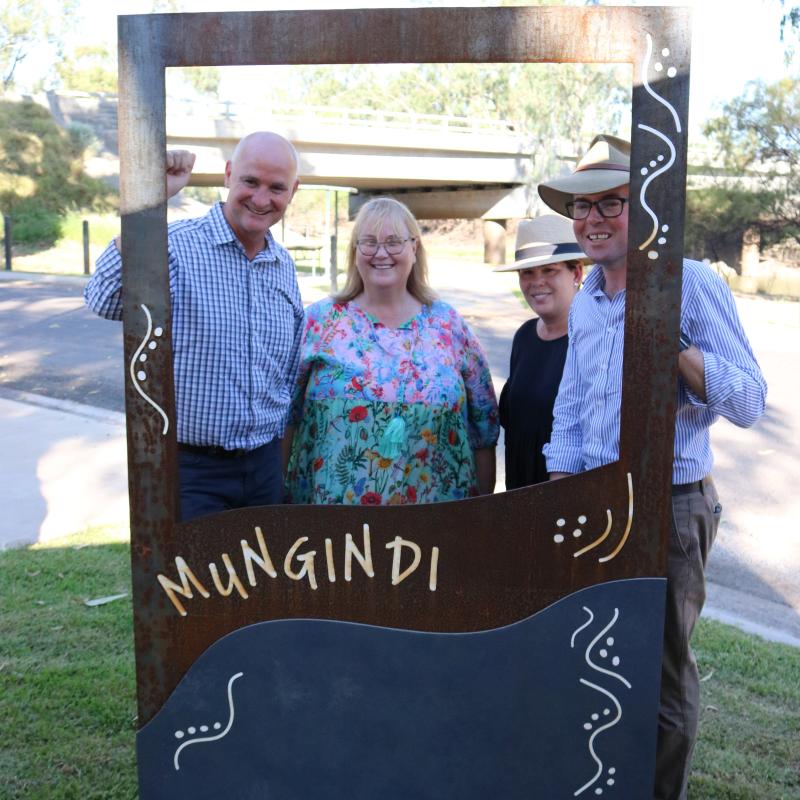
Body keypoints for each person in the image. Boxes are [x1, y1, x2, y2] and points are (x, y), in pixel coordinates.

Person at [538, 134, 767, 799]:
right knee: (598, 654)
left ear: (645, 211)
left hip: (672, 504)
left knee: (664, 671)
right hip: (598, 502)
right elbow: (574, 409)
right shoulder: (587, 299)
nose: (593, 220)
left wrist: (676, 349)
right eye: (582, 208)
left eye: (612, 203)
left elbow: (751, 400)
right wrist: (563, 493)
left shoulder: (689, 282)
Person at [85, 132, 304, 522]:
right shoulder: (173, 247)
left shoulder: (284, 266)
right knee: (197, 582)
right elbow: (103, 298)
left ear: (293, 191)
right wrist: (149, 204)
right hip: (193, 472)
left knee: (262, 584)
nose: (261, 198)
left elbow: (285, 371)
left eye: (277, 188)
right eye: (250, 182)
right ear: (228, 174)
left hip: (265, 468)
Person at [285, 196, 499, 505]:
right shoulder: (321, 321)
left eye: (394, 242)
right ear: (355, 252)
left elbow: (485, 425)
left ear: (415, 248)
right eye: (368, 242)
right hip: (333, 527)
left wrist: (481, 510)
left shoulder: (448, 324)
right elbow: (286, 416)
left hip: (436, 521)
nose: (381, 253)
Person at [495, 215, 585, 488]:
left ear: (577, 273)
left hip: (565, 500)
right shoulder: (524, 336)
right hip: (519, 496)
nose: (537, 282)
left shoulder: (591, 341)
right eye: (528, 273)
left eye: (550, 270)